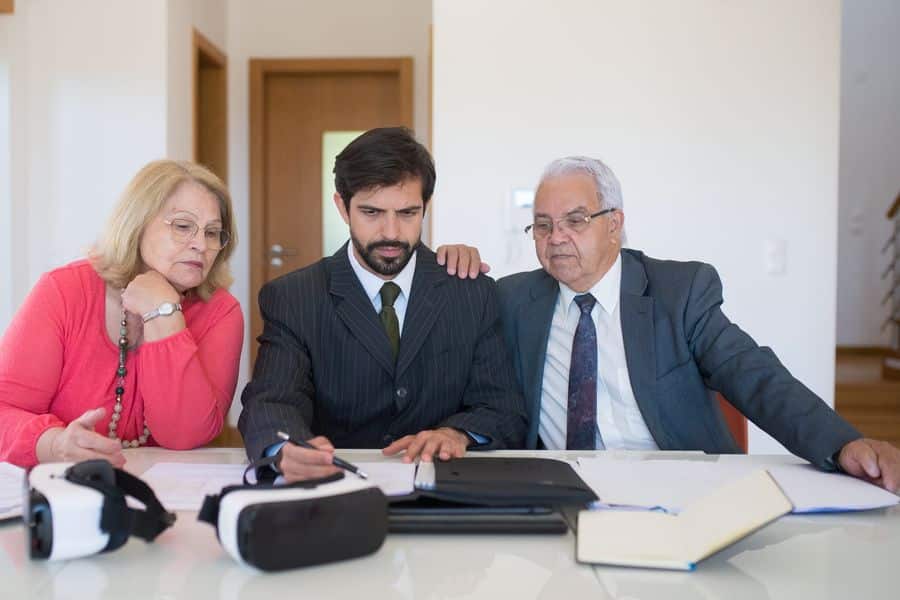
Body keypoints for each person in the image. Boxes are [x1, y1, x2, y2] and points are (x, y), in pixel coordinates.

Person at [497, 156, 900, 491]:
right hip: (560, 493)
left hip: (679, 492)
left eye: (576, 220)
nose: (556, 237)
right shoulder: (513, 300)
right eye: (544, 225)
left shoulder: (679, 292)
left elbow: (752, 373)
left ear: (614, 224)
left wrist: (842, 443)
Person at [238, 127, 526, 482]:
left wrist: (458, 434)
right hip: (335, 486)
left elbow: (501, 408)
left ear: (426, 207)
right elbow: (272, 401)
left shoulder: (470, 291)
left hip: (444, 484)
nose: (391, 233)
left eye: (407, 213)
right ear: (342, 207)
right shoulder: (294, 297)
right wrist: (284, 449)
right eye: (372, 212)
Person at [0, 160, 244, 468]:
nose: (200, 245)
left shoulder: (221, 312)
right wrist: (54, 444)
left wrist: (164, 313)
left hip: (167, 496)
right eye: (183, 226)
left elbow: (185, 434)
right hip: (63, 489)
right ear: (136, 224)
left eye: (212, 233)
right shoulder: (63, 291)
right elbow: (4, 409)